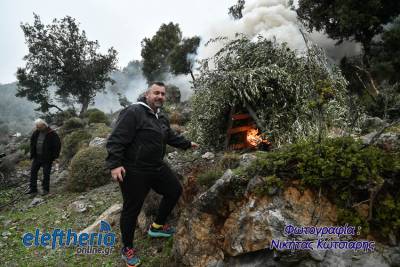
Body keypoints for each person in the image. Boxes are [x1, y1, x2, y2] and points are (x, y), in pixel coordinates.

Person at [106, 82, 198, 267]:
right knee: (132, 209)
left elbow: (169, 137)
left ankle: (157, 227)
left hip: (156, 166)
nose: (160, 97)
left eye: (163, 94)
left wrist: (187, 143)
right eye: (156, 93)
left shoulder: (160, 116)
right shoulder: (133, 112)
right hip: (134, 170)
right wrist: (115, 165)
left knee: (174, 190)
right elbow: (116, 138)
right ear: (147, 94)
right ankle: (127, 248)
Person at [27, 119, 61, 196]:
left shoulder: (52, 133)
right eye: (37, 127)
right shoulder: (36, 132)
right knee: (33, 172)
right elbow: (32, 142)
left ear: (44, 125)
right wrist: (32, 153)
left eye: (39, 127)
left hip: (47, 158)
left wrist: (55, 156)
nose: (37, 128)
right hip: (37, 157)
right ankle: (33, 190)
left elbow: (57, 145)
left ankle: (45, 190)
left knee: (46, 174)